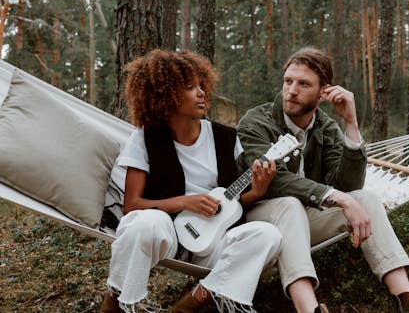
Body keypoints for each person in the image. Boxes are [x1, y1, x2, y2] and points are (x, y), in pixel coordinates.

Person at [236, 47, 409, 313]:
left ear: (323, 91)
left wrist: (351, 123)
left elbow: (349, 186)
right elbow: (275, 179)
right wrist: (336, 197)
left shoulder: (326, 127)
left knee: (366, 198)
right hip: (259, 219)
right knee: (290, 204)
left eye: (303, 84)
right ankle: (308, 309)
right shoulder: (256, 121)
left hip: (303, 219)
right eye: (288, 81)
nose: (291, 90)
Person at [100, 49, 282, 313]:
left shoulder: (226, 138)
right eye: (190, 87)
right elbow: (132, 205)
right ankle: (117, 301)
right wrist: (186, 201)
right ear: (165, 95)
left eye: (201, 85)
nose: (201, 93)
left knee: (268, 235)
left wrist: (257, 191)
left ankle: (191, 303)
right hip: (168, 236)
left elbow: (232, 202)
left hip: (214, 239)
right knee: (142, 223)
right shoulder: (145, 139)